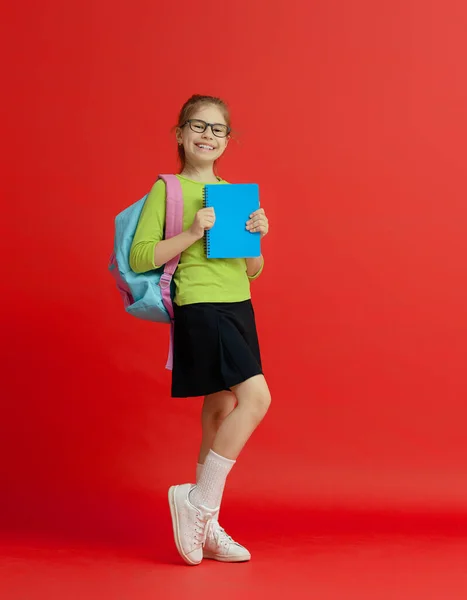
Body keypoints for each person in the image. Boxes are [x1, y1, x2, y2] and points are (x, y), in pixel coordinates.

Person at [129, 94, 271, 566]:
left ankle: (207, 529)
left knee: (222, 405)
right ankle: (199, 503)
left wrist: (256, 237)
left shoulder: (233, 194)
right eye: (198, 126)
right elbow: (140, 256)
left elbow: (252, 270)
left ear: (228, 140)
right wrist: (192, 231)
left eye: (217, 130)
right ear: (179, 134)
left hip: (238, 303)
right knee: (256, 398)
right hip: (201, 303)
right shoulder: (167, 190)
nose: (207, 135)